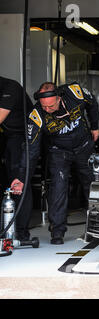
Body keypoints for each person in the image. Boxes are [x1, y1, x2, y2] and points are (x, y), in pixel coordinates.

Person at [10, 81, 99, 245]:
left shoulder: (75, 92)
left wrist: (95, 126)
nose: (47, 110)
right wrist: (22, 178)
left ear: (59, 98)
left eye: (50, 106)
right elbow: (31, 150)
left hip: (84, 146)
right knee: (58, 187)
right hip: (58, 151)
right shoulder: (36, 115)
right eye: (44, 106)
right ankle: (57, 232)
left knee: (92, 186)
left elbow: (92, 103)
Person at [0, 76, 34, 241]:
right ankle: (7, 228)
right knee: (7, 182)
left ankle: (21, 233)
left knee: (18, 182)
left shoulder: (10, 88)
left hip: (23, 137)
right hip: (8, 136)